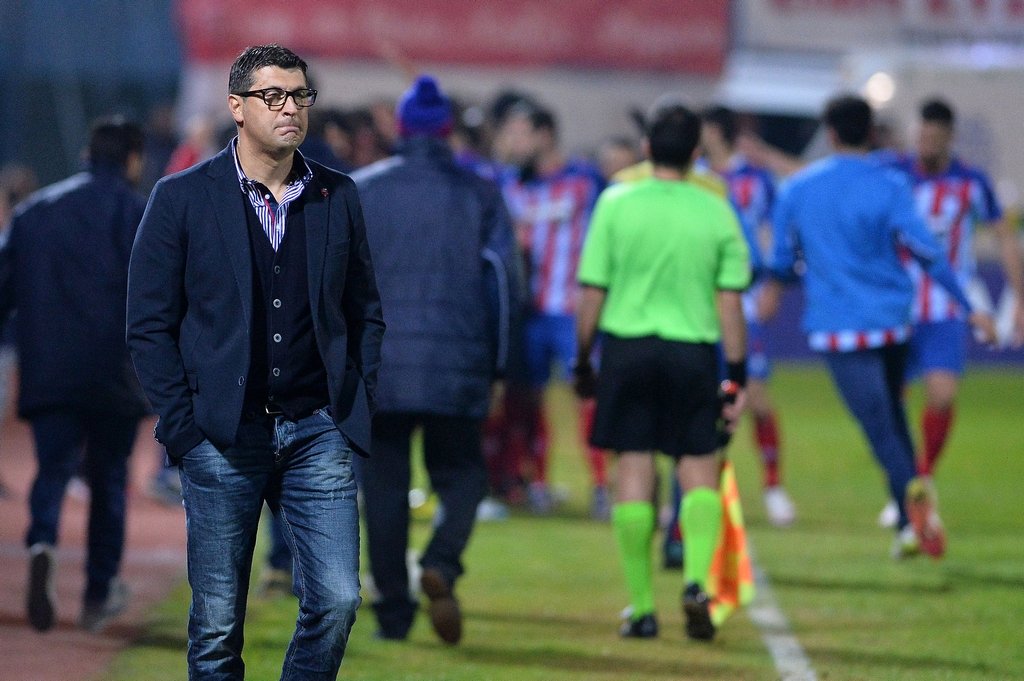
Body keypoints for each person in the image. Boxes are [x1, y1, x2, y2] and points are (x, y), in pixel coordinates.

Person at [126, 44, 384, 679]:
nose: (290, 108)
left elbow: (364, 311)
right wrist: (184, 428)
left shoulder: (338, 195)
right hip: (220, 435)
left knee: (338, 600)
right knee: (216, 627)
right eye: (273, 96)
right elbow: (148, 324)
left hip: (317, 429)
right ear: (237, 107)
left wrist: (353, 403)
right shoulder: (181, 196)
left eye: (300, 96)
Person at [759, 95, 995, 560]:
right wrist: (969, 305)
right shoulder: (890, 184)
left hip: (839, 329)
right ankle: (909, 518)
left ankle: (913, 510)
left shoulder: (798, 189)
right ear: (871, 133)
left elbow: (783, 261)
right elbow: (927, 252)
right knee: (893, 419)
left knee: (879, 427)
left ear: (829, 134)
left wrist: (797, 273)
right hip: (892, 324)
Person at [351, 75, 522, 644]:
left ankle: (393, 614)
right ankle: (442, 563)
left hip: (379, 366)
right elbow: (502, 285)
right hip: (459, 361)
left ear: (401, 129)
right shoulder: (481, 194)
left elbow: (331, 284)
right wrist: (500, 367)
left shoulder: (362, 190)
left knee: (383, 488)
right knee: (464, 475)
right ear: (447, 131)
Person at [574, 103, 750, 641]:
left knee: (634, 465)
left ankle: (644, 608)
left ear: (647, 149)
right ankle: (696, 583)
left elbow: (593, 290)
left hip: (627, 349)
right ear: (697, 153)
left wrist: (583, 358)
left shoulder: (615, 202)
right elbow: (729, 302)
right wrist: (736, 375)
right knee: (697, 466)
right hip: (691, 351)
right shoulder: (716, 209)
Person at [0, 118, 148, 633]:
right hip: (116, 374)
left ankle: (42, 540)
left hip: (50, 370)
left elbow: (3, 291)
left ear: (88, 153)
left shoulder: (34, 211)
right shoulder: (143, 214)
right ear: (133, 158)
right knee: (108, 481)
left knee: (52, 469)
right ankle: (97, 595)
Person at [875, 98, 1024, 528]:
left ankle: (921, 479)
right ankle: (902, 483)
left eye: (934, 138)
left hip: (946, 308)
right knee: (890, 402)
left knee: (942, 395)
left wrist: (1020, 297)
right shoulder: (893, 172)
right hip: (897, 307)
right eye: (921, 135)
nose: (925, 144)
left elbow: (1004, 237)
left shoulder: (972, 182)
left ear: (949, 138)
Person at [499, 104, 610, 518]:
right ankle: (536, 483)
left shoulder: (585, 181)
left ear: (545, 135)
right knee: (525, 399)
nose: (512, 143)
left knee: (588, 396)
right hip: (528, 313)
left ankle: (602, 485)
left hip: (572, 311)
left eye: (520, 133)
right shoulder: (510, 183)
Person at [701, 105, 796, 528]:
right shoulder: (694, 177)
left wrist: (775, 284)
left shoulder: (756, 179)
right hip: (699, 301)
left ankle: (773, 487)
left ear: (716, 132)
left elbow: (780, 231)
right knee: (699, 398)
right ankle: (701, 488)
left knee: (755, 395)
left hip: (747, 298)